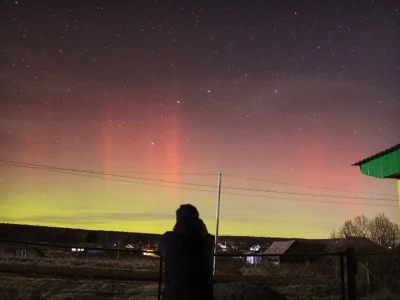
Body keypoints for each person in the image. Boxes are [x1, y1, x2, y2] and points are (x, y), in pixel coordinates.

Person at [160, 204, 215, 300]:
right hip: (203, 296)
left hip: (174, 296)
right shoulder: (208, 240)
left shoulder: (169, 239)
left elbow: (163, 253)